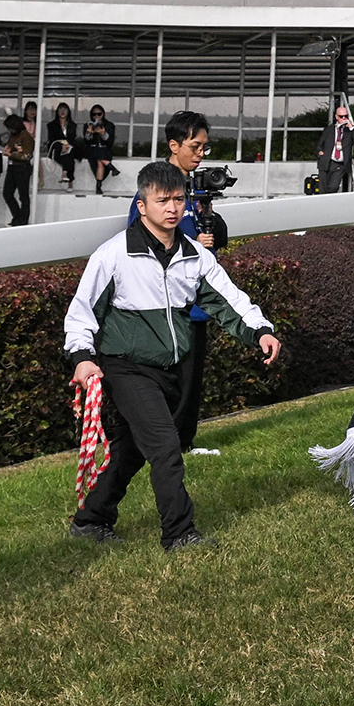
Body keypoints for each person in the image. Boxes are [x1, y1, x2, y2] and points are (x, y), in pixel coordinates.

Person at [66, 160, 281, 550]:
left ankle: (91, 519)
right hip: (126, 367)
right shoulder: (112, 255)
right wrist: (82, 357)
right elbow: (81, 313)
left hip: (172, 369)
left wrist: (260, 331)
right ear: (142, 204)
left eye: (179, 199)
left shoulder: (196, 255)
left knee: (132, 449)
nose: (172, 208)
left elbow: (230, 300)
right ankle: (180, 534)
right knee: (166, 447)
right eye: (162, 200)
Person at [128, 112, 227, 453]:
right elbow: (138, 239)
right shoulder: (156, 187)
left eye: (205, 147)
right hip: (165, 305)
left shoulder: (195, 189)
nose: (201, 153)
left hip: (194, 304)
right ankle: (163, 445)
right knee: (168, 381)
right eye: (195, 146)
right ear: (174, 145)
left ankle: (183, 443)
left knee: (190, 380)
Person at [316, 102, 354, 194]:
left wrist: (350, 127)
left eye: (345, 116)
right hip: (327, 161)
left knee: (333, 187)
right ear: (336, 117)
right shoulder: (329, 129)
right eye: (341, 116)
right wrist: (320, 152)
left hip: (340, 164)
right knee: (323, 188)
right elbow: (319, 144)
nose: (343, 118)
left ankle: (330, 203)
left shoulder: (349, 131)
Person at [2, 115, 34, 225]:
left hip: (22, 168)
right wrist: (7, 148)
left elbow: (27, 156)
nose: (9, 130)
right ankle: (17, 216)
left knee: (23, 196)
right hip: (12, 167)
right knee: (7, 193)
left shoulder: (26, 137)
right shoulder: (13, 135)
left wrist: (11, 154)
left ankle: (23, 220)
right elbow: (11, 146)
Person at [80, 105, 116, 193]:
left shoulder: (109, 125)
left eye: (99, 114)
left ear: (103, 114)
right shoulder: (88, 125)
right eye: (94, 114)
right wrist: (89, 133)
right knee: (99, 157)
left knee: (100, 160)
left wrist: (103, 134)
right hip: (92, 151)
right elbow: (86, 141)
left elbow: (110, 142)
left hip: (104, 151)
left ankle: (98, 185)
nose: (96, 117)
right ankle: (110, 167)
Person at [46, 102, 79, 188]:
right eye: (60, 109)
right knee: (68, 156)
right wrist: (62, 145)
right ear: (57, 111)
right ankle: (69, 181)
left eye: (65, 109)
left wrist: (67, 145)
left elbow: (72, 138)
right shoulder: (51, 125)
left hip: (69, 146)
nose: (63, 111)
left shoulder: (72, 125)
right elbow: (51, 138)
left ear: (68, 112)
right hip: (56, 146)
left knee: (70, 153)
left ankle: (65, 174)